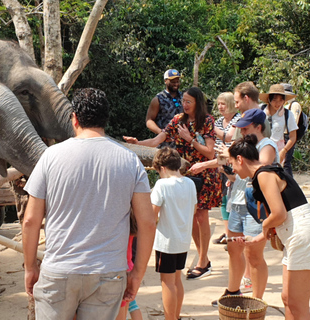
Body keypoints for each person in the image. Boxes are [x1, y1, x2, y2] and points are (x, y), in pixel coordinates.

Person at [22, 88, 156, 320]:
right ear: (105, 119)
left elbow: (31, 220)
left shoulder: (51, 157)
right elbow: (147, 222)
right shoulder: (129, 160)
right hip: (108, 274)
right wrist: (137, 273)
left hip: (59, 270)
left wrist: (30, 267)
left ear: (74, 118)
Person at [124, 86, 221, 280]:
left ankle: (202, 261)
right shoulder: (177, 120)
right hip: (185, 174)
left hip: (205, 174)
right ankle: (205, 258)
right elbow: (158, 140)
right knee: (193, 217)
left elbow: (210, 152)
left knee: (201, 216)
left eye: (188, 102)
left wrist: (189, 139)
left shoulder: (207, 121)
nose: (184, 105)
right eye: (183, 101)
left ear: (197, 103)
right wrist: (137, 143)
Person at [228, 134, 310, 320]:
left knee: (298, 306)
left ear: (240, 159)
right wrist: (258, 237)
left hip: (302, 234)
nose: (232, 168)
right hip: (295, 234)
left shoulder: (264, 175)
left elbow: (279, 214)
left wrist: (264, 224)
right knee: (287, 298)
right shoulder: (267, 171)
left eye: (232, 163)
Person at [212, 109, 279, 307]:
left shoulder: (267, 145)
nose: (241, 131)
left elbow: (262, 170)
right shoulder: (242, 145)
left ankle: (256, 301)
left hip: (255, 206)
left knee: (253, 255)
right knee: (234, 250)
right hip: (237, 202)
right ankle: (232, 292)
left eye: (245, 128)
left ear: (258, 127)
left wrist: (235, 154)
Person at [151, 147, 198, 320]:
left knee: (167, 283)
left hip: (166, 242)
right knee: (177, 280)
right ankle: (175, 316)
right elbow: (193, 210)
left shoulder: (161, 185)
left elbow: (152, 215)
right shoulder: (190, 183)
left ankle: (169, 318)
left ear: (162, 168)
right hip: (183, 241)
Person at [212, 92, 241, 245]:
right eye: (219, 104)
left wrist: (209, 126)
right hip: (219, 162)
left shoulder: (238, 119)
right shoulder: (218, 121)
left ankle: (234, 232)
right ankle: (227, 233)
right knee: (224, 198)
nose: (220, 107)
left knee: (233, 198)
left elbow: (228, 137)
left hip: (233, 162)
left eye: (223, 103)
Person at [259, 84, 298, 166]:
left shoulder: (287, 114)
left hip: (278, 151)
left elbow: (293, 136)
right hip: (260, 149)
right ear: (269, 99)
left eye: (281, 100)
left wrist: (284, 151)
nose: (278, 103)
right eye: (275, 100)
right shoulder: (260, 111)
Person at [146, 69, 183, 147]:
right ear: (166, 81)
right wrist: (162, 133)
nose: (176, 84)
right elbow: (149, 121)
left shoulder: (184, 97)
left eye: (177, 81)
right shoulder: (158, 99)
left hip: (182, 144)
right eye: (173, 81)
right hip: (164, 145)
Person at [280, 83, 302, 177]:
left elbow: (294, 123)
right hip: (280, 136)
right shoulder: (282, 105)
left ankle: (289, 185)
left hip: (288, 135)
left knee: (286, 162)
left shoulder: (294, 105)